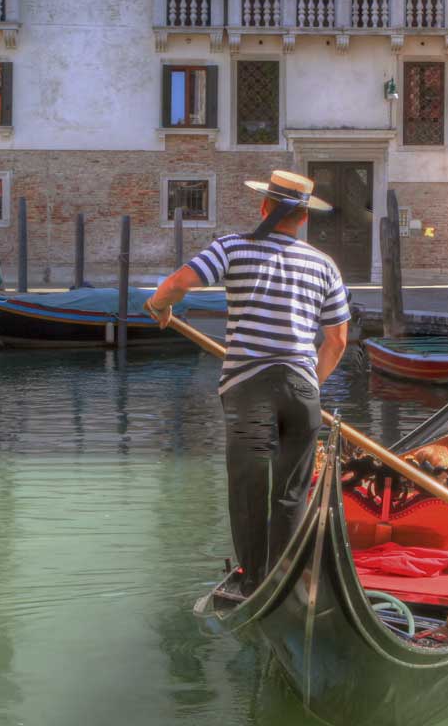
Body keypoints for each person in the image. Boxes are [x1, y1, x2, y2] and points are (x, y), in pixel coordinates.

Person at [146, 170, 350, 595]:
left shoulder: (234, 247)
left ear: (263, 207)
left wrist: (158, 305)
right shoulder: (323, 264)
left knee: (248, 488)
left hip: (250, 390)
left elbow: (179, 283)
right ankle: (282, 578)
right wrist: (313, 383)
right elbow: (337, 340)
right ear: (303, 218)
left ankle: (254, 581)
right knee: (292, 492)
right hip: (300, 393)